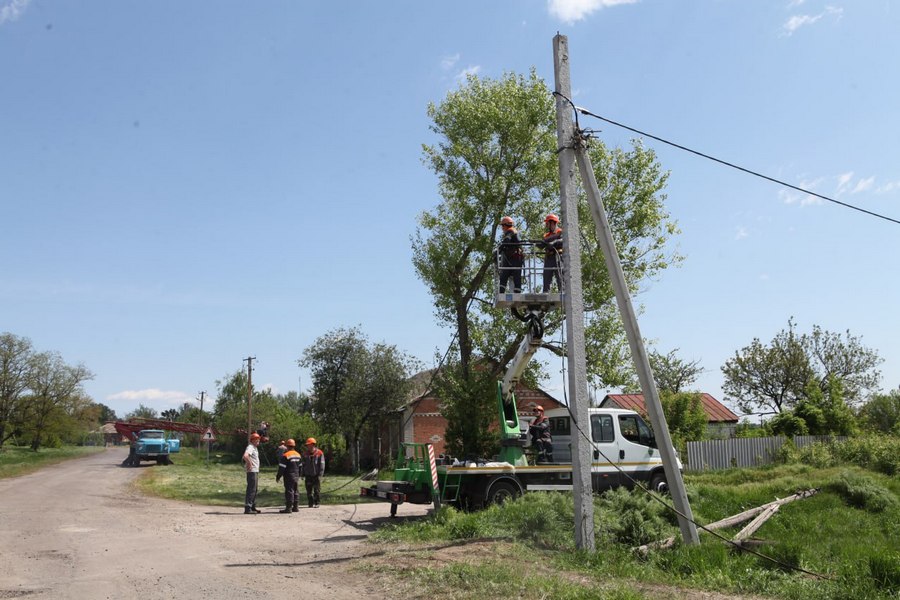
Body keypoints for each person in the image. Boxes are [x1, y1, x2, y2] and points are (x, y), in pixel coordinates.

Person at [497, 216, 524, 293]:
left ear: (505, 225)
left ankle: (503, 292)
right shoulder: (513, 231)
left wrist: (498, 250)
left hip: (514, 258)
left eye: (502, 226)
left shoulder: (510, 231)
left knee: (506, 276)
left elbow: (506, 241)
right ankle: (515, 293)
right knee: (512, 276)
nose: (502, 228)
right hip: (513, 258)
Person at [538, 213, 563, 292]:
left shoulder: (560, 232)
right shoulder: (546, 235)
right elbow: (542, 245)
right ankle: (545, 293)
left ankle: (562, 292)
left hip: (558, 257)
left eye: (547, 223)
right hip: (549, 258)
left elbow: (562, 240)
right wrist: (539, 243)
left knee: (560, 277)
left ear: (552, 222)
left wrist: (554, 242)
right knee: (546, 278)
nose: (546, 225)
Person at [275, 439, 302, 513]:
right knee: (296, 490)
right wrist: (299, 475)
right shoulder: (298, 455)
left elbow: (282, 468)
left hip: (289, 475)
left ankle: (289, 508)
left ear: (287, 446)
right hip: (296, 475)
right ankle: (296, 507)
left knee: (289, 491)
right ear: (294, 446)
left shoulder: (286, 455)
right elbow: (300, 467)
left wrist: (278, 476)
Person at [301, 437, 325, 508]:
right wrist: (302, 474)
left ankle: (317, 502)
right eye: (307, 445)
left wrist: (320, 474)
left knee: (316, 490)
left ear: (313, 444)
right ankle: (310, 503)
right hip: (308, 475)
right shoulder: (305, 454)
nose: (308, 446)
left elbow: (322, 464)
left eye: (309, 444)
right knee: (308, 490)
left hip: (316, 475)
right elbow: (303, 464)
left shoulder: (319, 453)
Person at [242, 433, 262, 514]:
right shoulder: (250, 447)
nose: (258, 440)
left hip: (255, 470)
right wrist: (250, 464)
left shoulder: (254, 448)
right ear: (252, 440)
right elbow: (245, 456)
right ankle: (248, 508)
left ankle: (252, 506)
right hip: (252, 471)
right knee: (251, 489)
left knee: (254, 489)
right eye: (256, 439)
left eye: (258, 439)